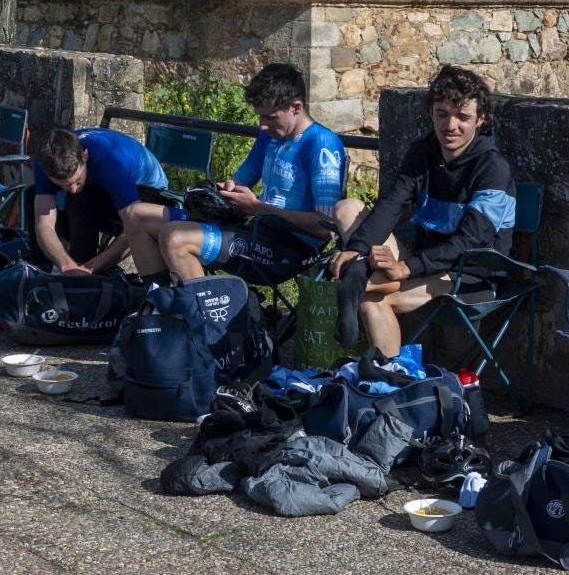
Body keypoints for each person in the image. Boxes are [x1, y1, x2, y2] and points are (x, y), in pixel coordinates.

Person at [328, 66, 516, 358]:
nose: (450, 125)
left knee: (370, 296)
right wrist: (357, 247)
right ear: (431, 112)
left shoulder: (492, 168)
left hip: (470, 274)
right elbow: (391, 204)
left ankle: (387, 382)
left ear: (480, 119)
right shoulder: (424, 151)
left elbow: (470, 242)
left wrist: (406, 268)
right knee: (347, 208)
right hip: (423, 259)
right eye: (442, 114)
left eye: (463, 117)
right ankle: (358, 265)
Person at [158, 64, 349, 282]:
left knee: (174, 237)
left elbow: (326, 227)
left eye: (270, 118)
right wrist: (227, 190)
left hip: (289, 250)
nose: (262, 126)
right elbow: (240, 180)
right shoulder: (271, 136)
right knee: (142, 218)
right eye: (260, 117)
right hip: (258, 232)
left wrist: (258, 208)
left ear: (296, 107)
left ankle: (204, 313)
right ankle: (158, 305)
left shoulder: (321, 143)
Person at [32, 126, 172, 276]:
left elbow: (135, 228)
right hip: (102, 187)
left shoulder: (112, 163)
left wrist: (89, 268)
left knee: (79, 200)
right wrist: (66, 266)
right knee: (37, 197)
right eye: (63, 184)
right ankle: (53, 272)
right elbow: (44, 223)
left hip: (149, 193)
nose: (72, 188)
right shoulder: (45, 161)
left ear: (85, 156)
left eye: (76, 180)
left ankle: (84, 278)